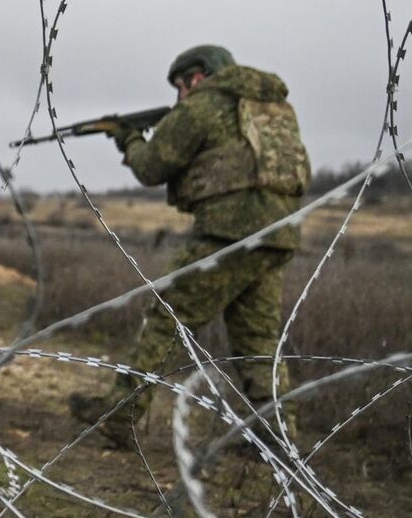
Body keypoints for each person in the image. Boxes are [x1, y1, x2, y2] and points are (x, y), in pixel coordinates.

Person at [66, 44, 310, 451]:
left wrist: (128, 139)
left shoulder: (202, 106)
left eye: (182, 84)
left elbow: (151, 167)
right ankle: (278, 436)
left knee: (167, 315)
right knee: (258, 339)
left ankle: (119, 414)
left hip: (228, 232)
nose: (179, 94)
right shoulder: (272, 108)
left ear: (198, 76)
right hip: (278, 234)